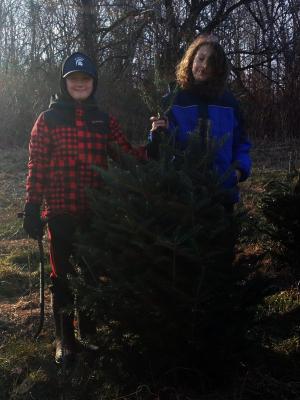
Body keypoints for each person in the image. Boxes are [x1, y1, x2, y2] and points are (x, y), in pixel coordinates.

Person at [23, 52, 147, 364]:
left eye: (85, 79)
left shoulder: (103, 120)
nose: (80, 84)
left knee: (92, 274)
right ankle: (65, 339)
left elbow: (127, 155)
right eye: (73, 79)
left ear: (93, 84)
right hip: (61, 212)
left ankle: (90, 333)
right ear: (65, 83)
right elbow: (37, 166)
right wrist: (32, 206)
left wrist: (155, 142)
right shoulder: (47, 120)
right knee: (61, 275)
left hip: (96, 211)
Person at [148, 34, 251, 210]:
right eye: (200, 59)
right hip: (181, 196)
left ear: (218, 69)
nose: (203, 66)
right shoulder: (172, 100)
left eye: (211, 63)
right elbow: (159, 151)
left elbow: (241, 142)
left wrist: (238, 171)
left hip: (221, 193)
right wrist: (157, 133)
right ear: (191, 60)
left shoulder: (229, 103)